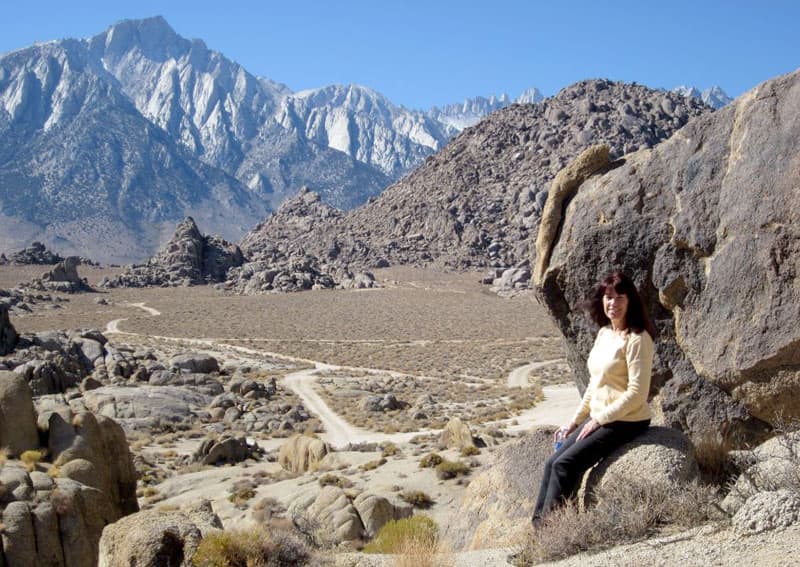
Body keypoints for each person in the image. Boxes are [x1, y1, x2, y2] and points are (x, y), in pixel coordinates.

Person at [532, 271, 656, 524]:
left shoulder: (638, 340)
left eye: (620, 297)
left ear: (630, 300)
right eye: (608, 297)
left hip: (627, 421)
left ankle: (551, 534)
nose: (613, 303)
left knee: (565, 466)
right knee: (551, 464)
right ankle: (537, 533)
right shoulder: (604, 334)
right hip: (601, 417)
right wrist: (574, 422)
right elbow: (594, 384)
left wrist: (598, 419)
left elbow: (637, 393)